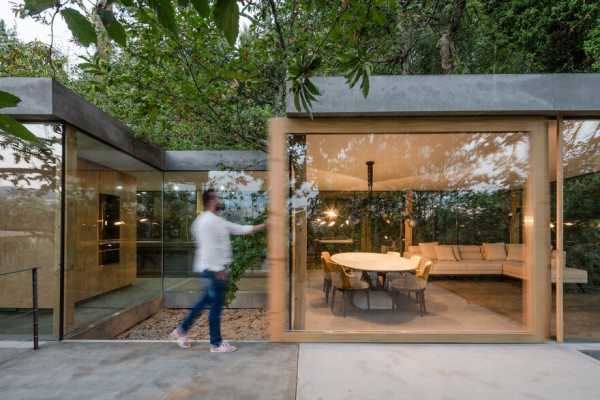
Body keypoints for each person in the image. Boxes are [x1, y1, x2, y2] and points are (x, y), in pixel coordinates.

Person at [170, 188, 265, 352]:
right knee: (215, 307)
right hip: (213, 271)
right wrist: (218, 269)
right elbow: (208, 248)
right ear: (211, 201)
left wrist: (264, 225)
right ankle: (216, 344)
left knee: (203, 303)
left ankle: (181, 330)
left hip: (210, 270)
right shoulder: (207, 222)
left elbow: (239, 229)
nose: (219, 201)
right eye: (217, 198)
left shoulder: (213, 220)